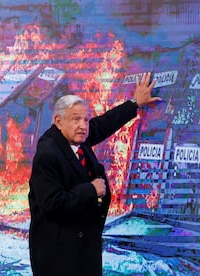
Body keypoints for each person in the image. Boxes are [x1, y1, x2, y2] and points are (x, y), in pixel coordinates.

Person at [28, 72, 160, 275]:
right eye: (75, 119)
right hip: (59, 258)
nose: (83, 125)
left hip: (81, 249)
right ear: (58, 121)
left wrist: (135, 103)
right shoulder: (48, 154)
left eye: (85, 119)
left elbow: (103, 124)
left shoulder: (75, 137)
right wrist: (91, 190)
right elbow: (52, 204)